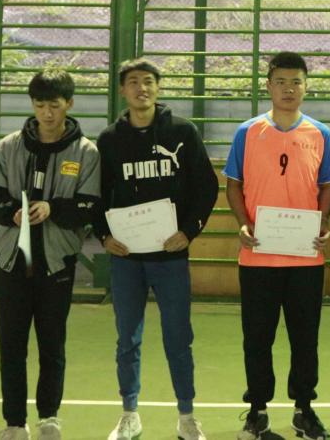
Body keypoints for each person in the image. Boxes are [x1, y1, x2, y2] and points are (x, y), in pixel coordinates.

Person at [93, 58, 219, 440]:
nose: (141, 88)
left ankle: (186, 416)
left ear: (158, 87)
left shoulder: (182, 131)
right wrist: (103, 236)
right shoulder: (109, 140)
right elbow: (95, 195)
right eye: (133, 82)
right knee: (127, 339)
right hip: (127, 259)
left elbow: (206, 187)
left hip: (170, 256)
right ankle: (129, 414)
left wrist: (189, 231)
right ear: (123, 90)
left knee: (178, 338)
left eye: (148, 81)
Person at [0, 69, 101, 440]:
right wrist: (10, 213)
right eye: (40, 105)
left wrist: (53, 208)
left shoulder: (86, 152)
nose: (47, 113)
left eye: (55, 105)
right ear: (32, 105)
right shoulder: (9, 146)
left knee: (52, 345)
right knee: (11, 346)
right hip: (12, 262)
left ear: (69, 104)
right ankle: (15, 422)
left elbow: (90, 204)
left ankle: (49, 417)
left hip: (56, 265)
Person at [224, 52, 330, 440]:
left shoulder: (320, 134)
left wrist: (323, 222)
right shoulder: (247, 132)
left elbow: (327, 187)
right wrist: (243, 223)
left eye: (296, 82)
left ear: (306, 87)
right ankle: (257, 410)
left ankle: (304, 409)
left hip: (306, 258)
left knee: (305, 339)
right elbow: (233, 185)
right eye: (281, 82)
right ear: (268, 86)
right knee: (257, 338)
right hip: (258, 256)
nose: (289, 89)